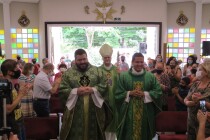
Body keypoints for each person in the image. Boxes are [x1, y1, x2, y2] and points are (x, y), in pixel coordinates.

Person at [58, 49, 112, 140]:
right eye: (79, 60)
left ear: (87, 58)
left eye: (84, 59)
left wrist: (93, 89)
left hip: (94, 111)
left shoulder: (97, 71)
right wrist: (75, 91)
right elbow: (62, 89)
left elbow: (105, 85)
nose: (82, 62)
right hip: (74, 113)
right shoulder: (68, 73)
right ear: (75, 60)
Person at [116, 52, 162, 140]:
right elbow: (118, 93)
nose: (139, 64)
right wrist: (129, 93)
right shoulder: (123, 76)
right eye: (137, 62)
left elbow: (158, 92)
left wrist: (145, 94)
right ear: (132, 62)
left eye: (141, 62)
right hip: (128, 113)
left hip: (146, 112)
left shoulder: (150, 77)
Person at [1, 59, 30, 140]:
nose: (19, 71)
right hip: (11, 125)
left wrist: (22, 91)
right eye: (17, 69)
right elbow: (7, 109)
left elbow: (15, 100)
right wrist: (20, 95)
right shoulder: (4, 87)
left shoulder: (12, 84)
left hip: (19, 121)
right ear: (10, 72)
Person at [184, 62, 210, 140]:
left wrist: (201, 101)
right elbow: (186, 98)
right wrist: (188, 102)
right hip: (191, 121)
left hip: (205, 123)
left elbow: (203, 104)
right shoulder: (195, 84)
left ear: (207, 71)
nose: (197, 71)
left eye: (200, 69)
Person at [98, 44, 118, 140]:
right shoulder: (98, 70)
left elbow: (119, 84)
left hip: (115, 99)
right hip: (103, 100)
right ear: (102, 58)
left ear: (111, 57)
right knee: (105, 120)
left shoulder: (116, 70)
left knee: (114, 120)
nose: (107, 59)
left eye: (108, 57)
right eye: (105, 57)